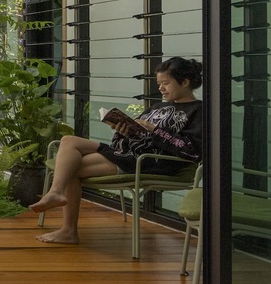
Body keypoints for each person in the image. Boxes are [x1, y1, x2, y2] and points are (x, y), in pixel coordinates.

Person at [29, 56, 204, 245]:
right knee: (68, 141)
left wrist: (155, 130)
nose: (161, 88)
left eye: (166, 83)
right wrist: (123, 130)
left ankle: (68, 229)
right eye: (159, 83)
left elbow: (191, 152)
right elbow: (136, 135)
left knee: (69, 168)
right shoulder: (157, 107)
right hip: (125, 152)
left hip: (147, 160)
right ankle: (56, 193)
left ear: (185, 82)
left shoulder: (198, 111)